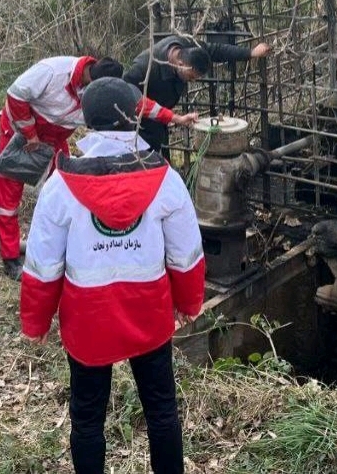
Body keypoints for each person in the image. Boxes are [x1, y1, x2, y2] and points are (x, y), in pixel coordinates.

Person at [20, 77, 205, 474]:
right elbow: (186, 253)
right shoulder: (164, 178)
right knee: (162, 410)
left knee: (87, 417)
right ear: (136, 114)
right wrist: (190, 302)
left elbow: (42, 263)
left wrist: (35, 323)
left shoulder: (61, 186)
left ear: (87, 120)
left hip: (88, 319)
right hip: (149, 314)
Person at [0, 56, 196, 279]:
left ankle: (63, 247)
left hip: (57, 137)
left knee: (63, 194)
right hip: (22, 133)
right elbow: (16, 94)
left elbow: (140, 105)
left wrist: (176, 118)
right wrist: (30, 134)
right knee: (9, 197)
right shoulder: (52, 72)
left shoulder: (109, 93)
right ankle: (10, 257)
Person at [124, 34, 271, 154]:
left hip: (162, 116)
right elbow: (129, 96)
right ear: (180, 64)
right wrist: (172, 117)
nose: (193, 81)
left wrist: (250, 53)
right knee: (149, 161)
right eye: (191, 77)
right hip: (142, 124)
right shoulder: (144, 67)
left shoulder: (188, 45)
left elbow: (216, 50)